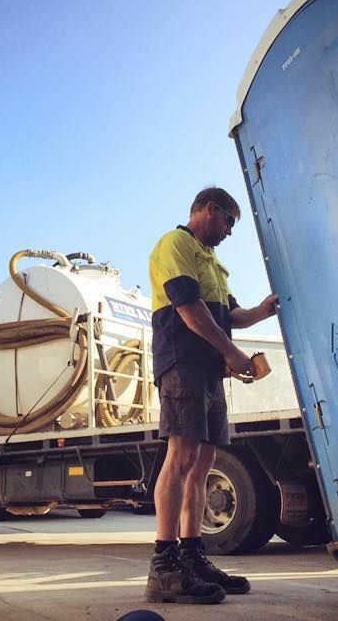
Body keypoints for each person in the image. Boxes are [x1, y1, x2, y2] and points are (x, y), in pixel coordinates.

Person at [145, 186, 277, 604]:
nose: (229, 232)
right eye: (228, 222)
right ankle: (164, 567)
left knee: (203, 463)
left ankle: (192, 555)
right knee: (181, 458)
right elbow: (187, 308)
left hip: (209, 369)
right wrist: (232, 351)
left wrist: (264, 309)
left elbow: (231, 313)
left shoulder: (213, 263)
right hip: (182, 362)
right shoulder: (175, 244)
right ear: (209, 209)